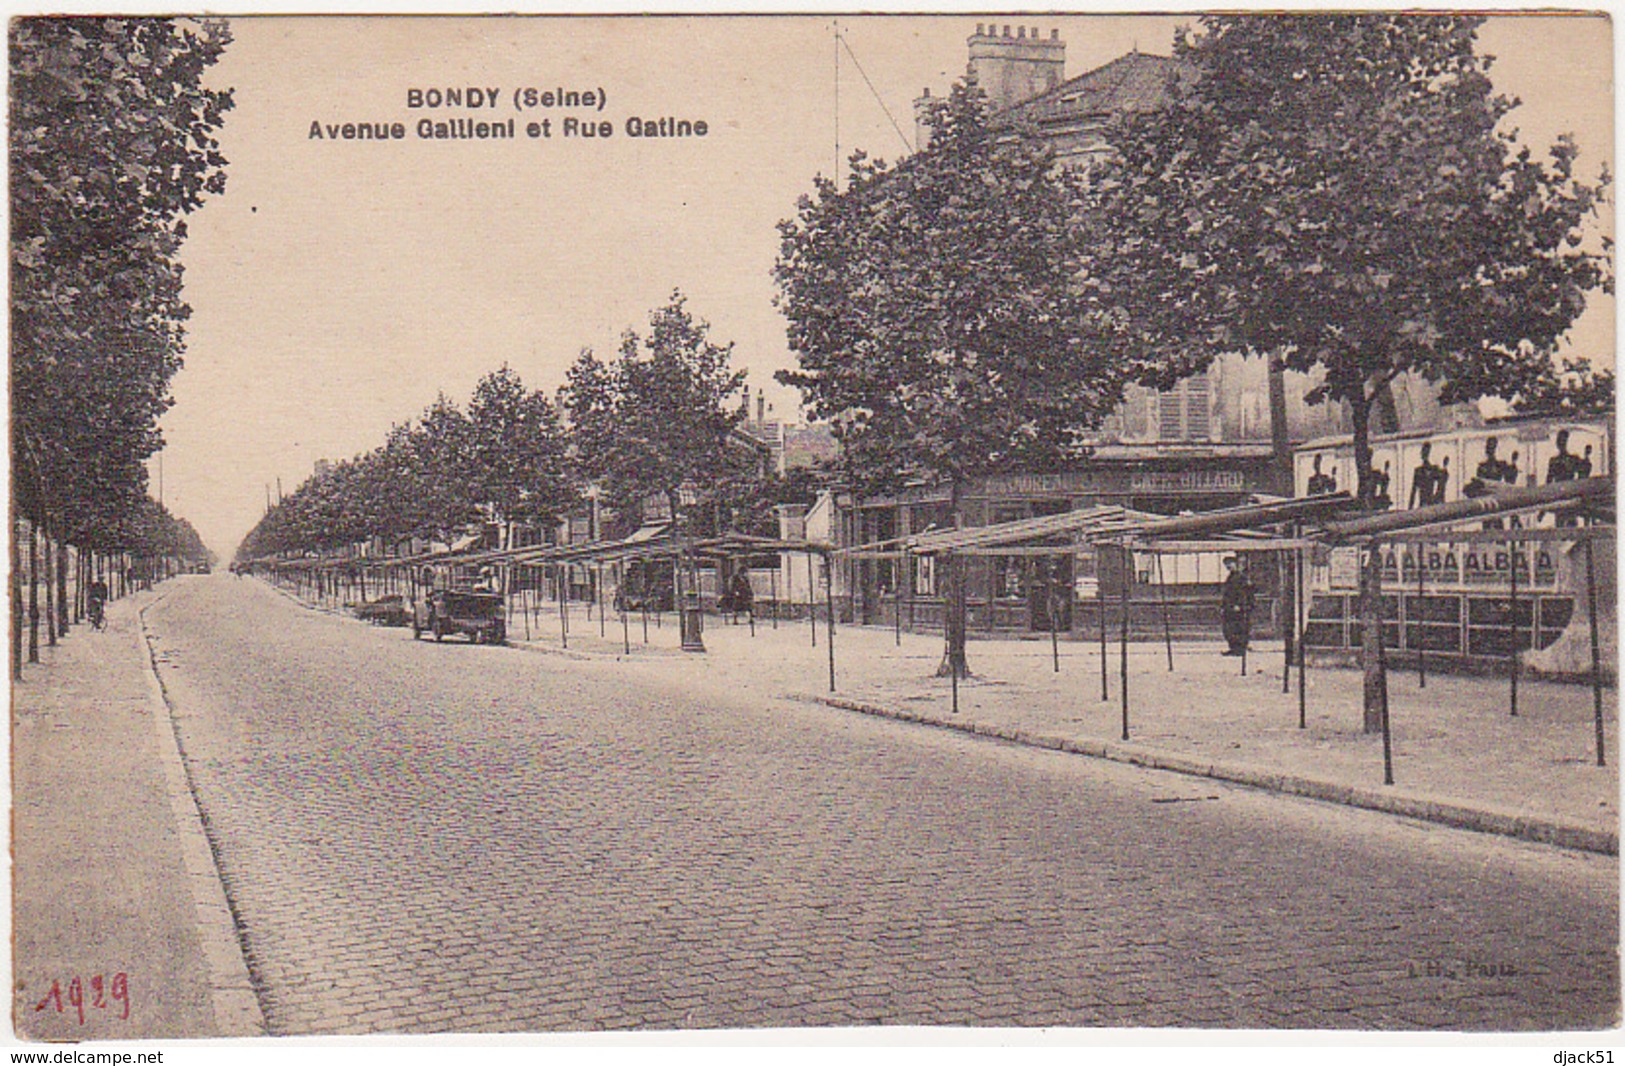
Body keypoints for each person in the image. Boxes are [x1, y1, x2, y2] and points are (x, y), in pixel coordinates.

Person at [1219, 556, 1255, 657]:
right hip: (1229, 607)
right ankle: (1233, 648)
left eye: (1230, 564)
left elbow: (1245, 593)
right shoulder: (1231, 577)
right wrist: (1223, 606)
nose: (1228, 566)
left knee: (1238, 628)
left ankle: (1239, 649)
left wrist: (1239, 605)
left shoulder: (1241, 577)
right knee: (1228, 629)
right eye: (1227, 565)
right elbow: (1227, 594)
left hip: (1238, 607)